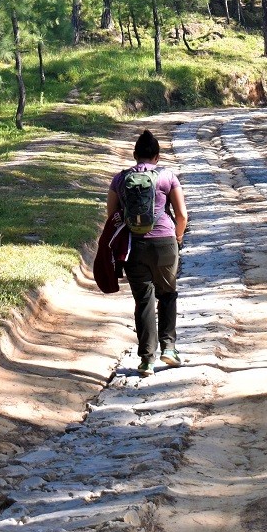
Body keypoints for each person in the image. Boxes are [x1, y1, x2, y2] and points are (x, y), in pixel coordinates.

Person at [105, 129, 188, 376]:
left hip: (134, 246)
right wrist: (178, 236)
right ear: (157, 156)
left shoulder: (120, 179)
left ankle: (146, 360)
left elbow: (112, 216)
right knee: (168, 293)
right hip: (164, 241)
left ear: (134, 155)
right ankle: (169, 348)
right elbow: (182, 215)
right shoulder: (167, 177)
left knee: (143, 300)